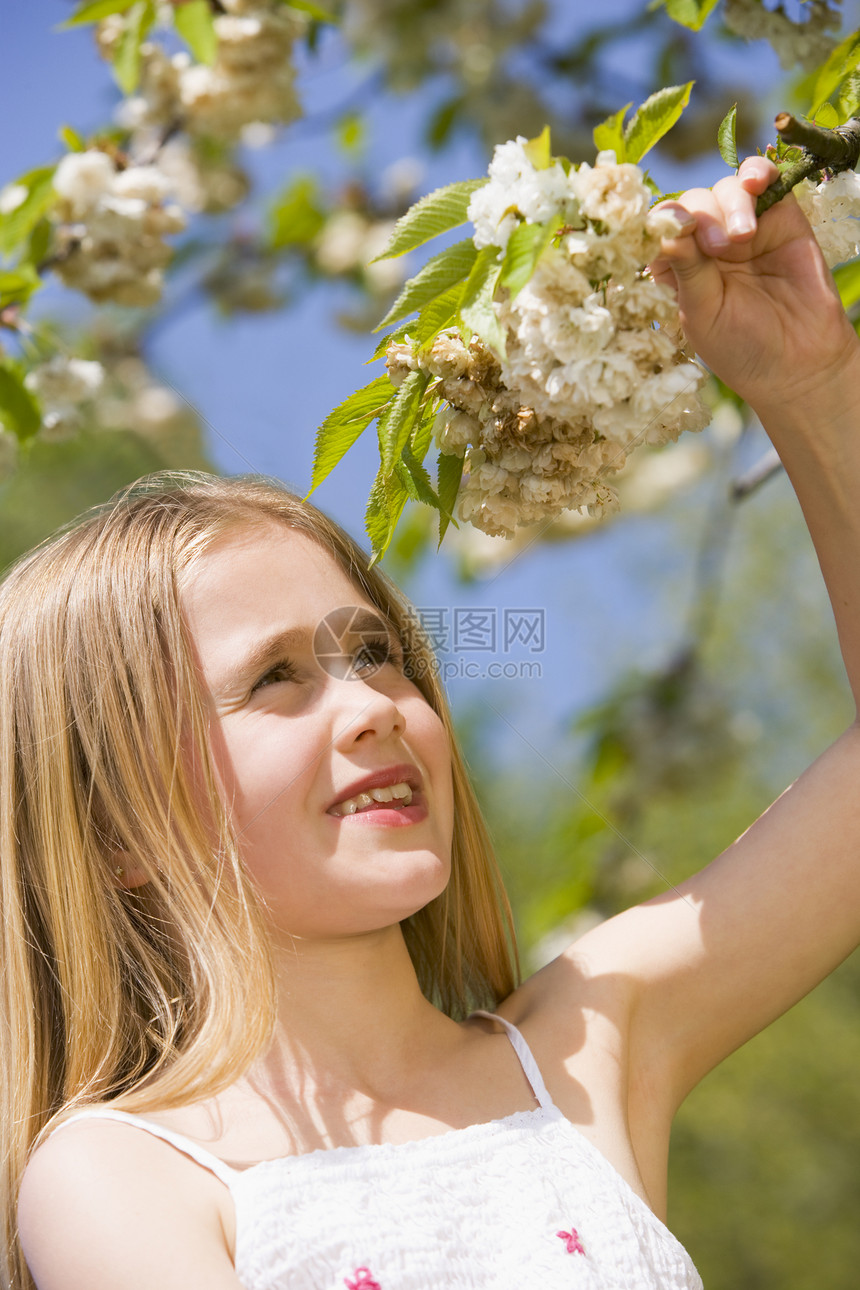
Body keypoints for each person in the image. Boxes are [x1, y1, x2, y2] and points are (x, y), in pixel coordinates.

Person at [7, 153, 860, 1290]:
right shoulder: (122, 1177)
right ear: (114, 830)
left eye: (374, 652)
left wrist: (806, 386)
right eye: (271, 680)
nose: (370, 708)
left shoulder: (584, 1052)